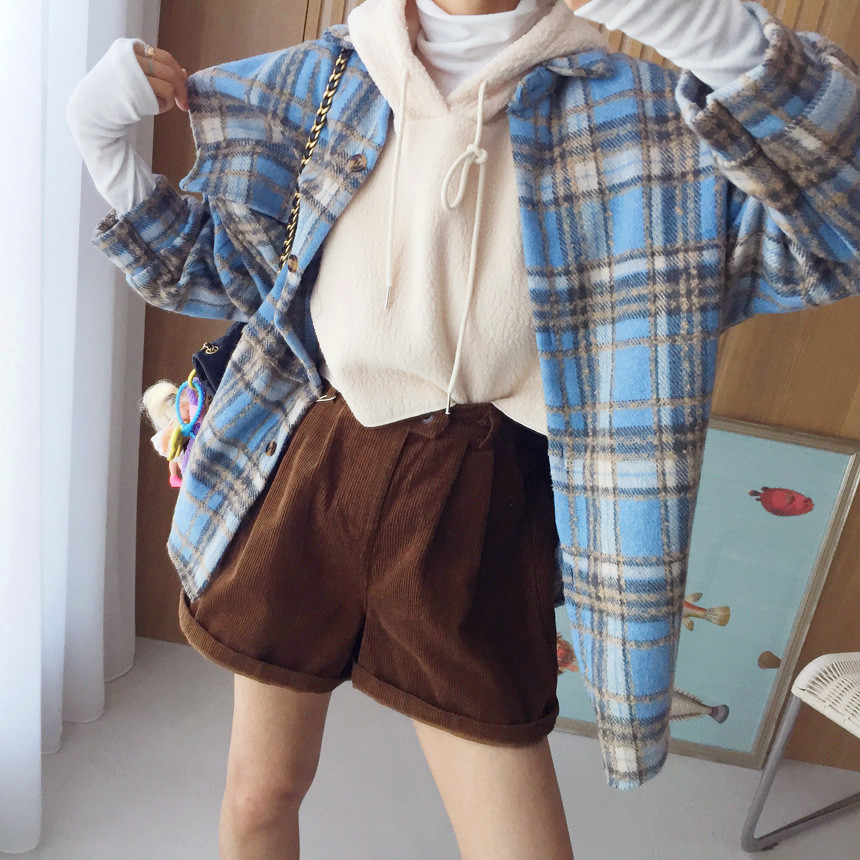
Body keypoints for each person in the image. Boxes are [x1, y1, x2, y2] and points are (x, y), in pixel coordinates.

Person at [66, 0, 860, 857]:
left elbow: (835, 234)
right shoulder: (318, 82)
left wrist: (708, 29)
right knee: (260, 796)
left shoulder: (643, 120)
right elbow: (220, 274)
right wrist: (105, 146)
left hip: (483, 502)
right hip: (313, 466)